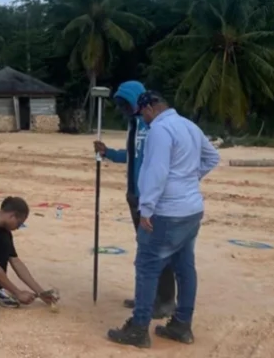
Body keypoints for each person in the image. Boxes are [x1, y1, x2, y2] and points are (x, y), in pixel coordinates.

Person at [107, 91, 220, 348]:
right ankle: (181, 325)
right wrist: (189, 179)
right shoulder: (188, 125)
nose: (143, 120)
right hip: (191, 209)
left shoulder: (159, 129)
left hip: (167, 211)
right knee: (185, 268)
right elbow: (212, 157)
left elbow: (156, 172)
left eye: (143, 115)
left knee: (147, 267)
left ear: (149, 108)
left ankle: (138, 329)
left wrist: (146, 209)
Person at [93, 80, 176, 318]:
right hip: (134, 196)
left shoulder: (153, 126)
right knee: (144, 251)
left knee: (157, 251)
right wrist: (108, 153)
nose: (124, 110)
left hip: (150, 199)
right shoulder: (133, 125)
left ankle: (165, 300)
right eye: (121, 106)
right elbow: (132, 156)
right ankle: (145, 296)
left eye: (126, 105)